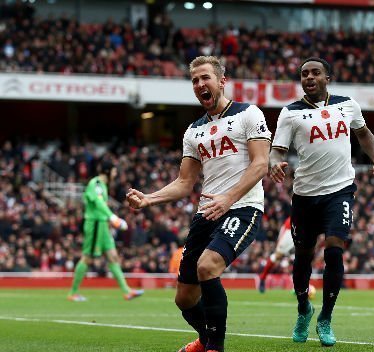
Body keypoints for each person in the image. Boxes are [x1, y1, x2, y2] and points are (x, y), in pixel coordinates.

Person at [127, 55, 271, 352]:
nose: (199, 84)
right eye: (194, 80)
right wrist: (148, 199)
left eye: (205, 78)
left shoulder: (249, 114)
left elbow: (260, 164)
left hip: (242, 207)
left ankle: (213, 347)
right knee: (185, 299)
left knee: (207, 267)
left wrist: (228, 197)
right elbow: (184, 182)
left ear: (221, 81)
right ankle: (205, 339)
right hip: (207, 213)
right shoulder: (193, 131)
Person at [270, 57, 374, 347]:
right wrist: (274, 163)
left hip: (340, 192)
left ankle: (325, 317)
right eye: (304, 74)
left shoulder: (347, 104)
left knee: (334, 251)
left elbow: (363, 134)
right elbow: (277, 151)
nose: (309, 77)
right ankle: (303, 308)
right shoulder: (290, 113)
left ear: (328, 77)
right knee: (303, 258)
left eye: (315, 73)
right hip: (305, 196)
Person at [67, 160, 144, 302]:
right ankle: (73, 292)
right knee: (87, 258)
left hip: (102, 224)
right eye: (114, 171)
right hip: (95, 224)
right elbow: (98, 203)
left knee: (113, 257)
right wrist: (112, 217)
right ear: (108, 171)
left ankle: (127, 291)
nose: (115, 174)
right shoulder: (96, 184)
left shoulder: (101, 185)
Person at [258, 216, 293, 293]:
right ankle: (263, 278)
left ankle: (301, 286)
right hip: (291, 228)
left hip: (305, 229)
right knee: (277, 255)